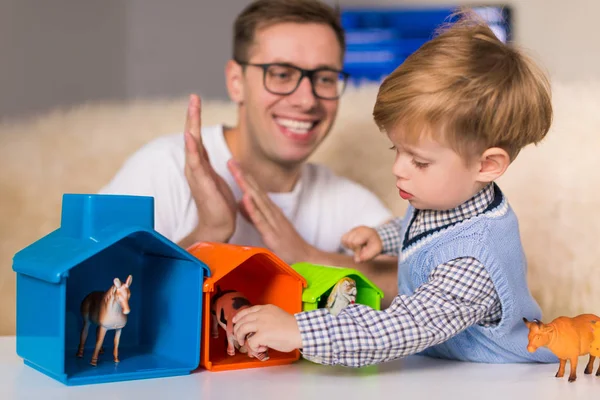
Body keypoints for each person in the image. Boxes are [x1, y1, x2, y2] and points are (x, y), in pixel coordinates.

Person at [230, 12, 559, 367]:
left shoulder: (474, 261)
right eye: (396, 150)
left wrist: (298, 330)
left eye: (419, 161)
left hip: (500, 381)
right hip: (445, 367)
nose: (398, 169)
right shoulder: (446, 198)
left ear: (487, 165)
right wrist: (384, 237)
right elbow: (427, 232)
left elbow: (398, 328)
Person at [99, 0, 398, 299]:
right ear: (236, 81)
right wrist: (210, 232)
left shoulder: (340, 196)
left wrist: (303, 255)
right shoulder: (162, 167)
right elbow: (96, 289)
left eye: (325, 78)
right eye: (282, 74)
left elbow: (415, 281)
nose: (307, 100)